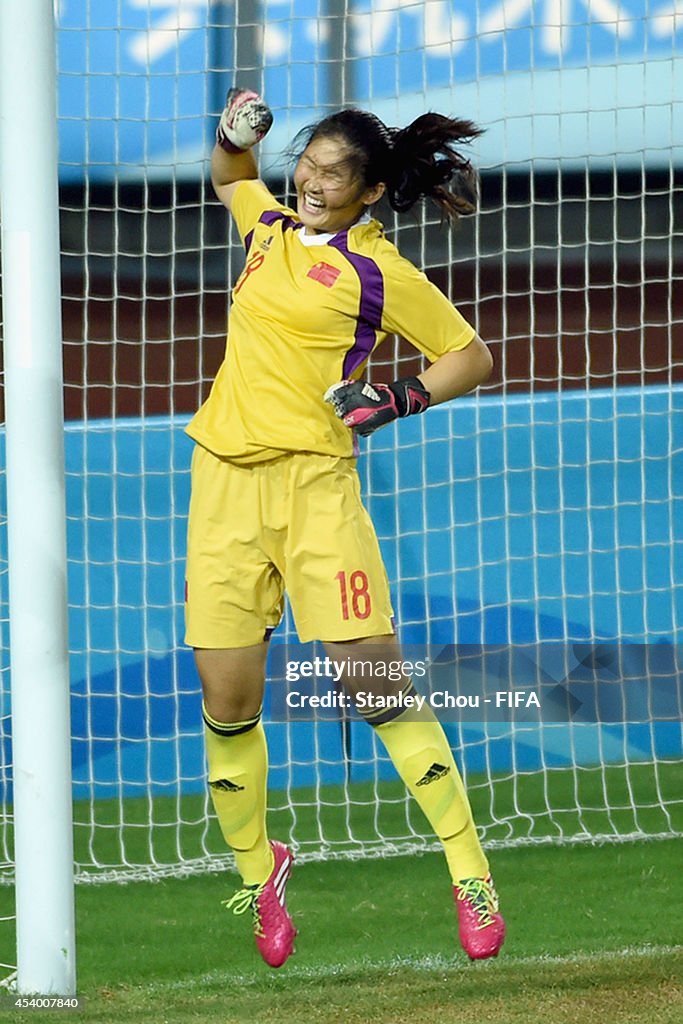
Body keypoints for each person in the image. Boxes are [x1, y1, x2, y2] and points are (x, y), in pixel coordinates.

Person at [184, 87, 505, 969]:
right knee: (229, 701)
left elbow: (470, 355)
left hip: (317, 490)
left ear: (368, 191)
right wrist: (232, 137)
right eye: (307, 165)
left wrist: (398, 397)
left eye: (332, 173)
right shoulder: (268, 228)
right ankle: (261, 875)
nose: (312, 181)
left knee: (372, 686)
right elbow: (232, 178)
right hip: (222, 487)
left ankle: (468, 872)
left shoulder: (379, 270)